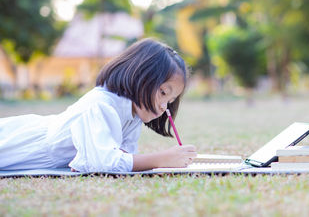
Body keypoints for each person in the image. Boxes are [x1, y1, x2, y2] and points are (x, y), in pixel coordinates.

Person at [0, 38, 197, 172]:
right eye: (163, 93)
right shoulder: (100, 105)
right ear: (140, 76)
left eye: (170, 101)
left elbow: (123, 158)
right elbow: (103, 163)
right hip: (16, 143)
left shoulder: (133, 116)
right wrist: (162, 159)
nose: (164, 107)